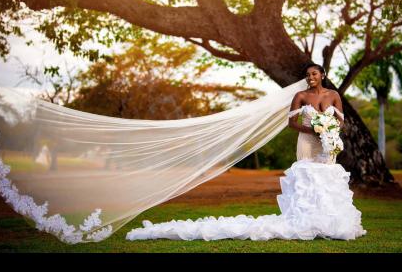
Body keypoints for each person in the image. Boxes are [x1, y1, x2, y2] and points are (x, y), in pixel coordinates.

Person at [125, 63, 367, 242]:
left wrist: (329, 132)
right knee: (307, 179)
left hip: (328, 142)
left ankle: (327, 221)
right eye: (307, 75)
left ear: (322, 75)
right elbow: (291, 123)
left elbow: (342, 121)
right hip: (306, 140)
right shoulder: (300, 96)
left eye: (314, 74)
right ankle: (306, 222)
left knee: (326, 179)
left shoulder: (333, 95)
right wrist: (313, 129)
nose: (310, 77)